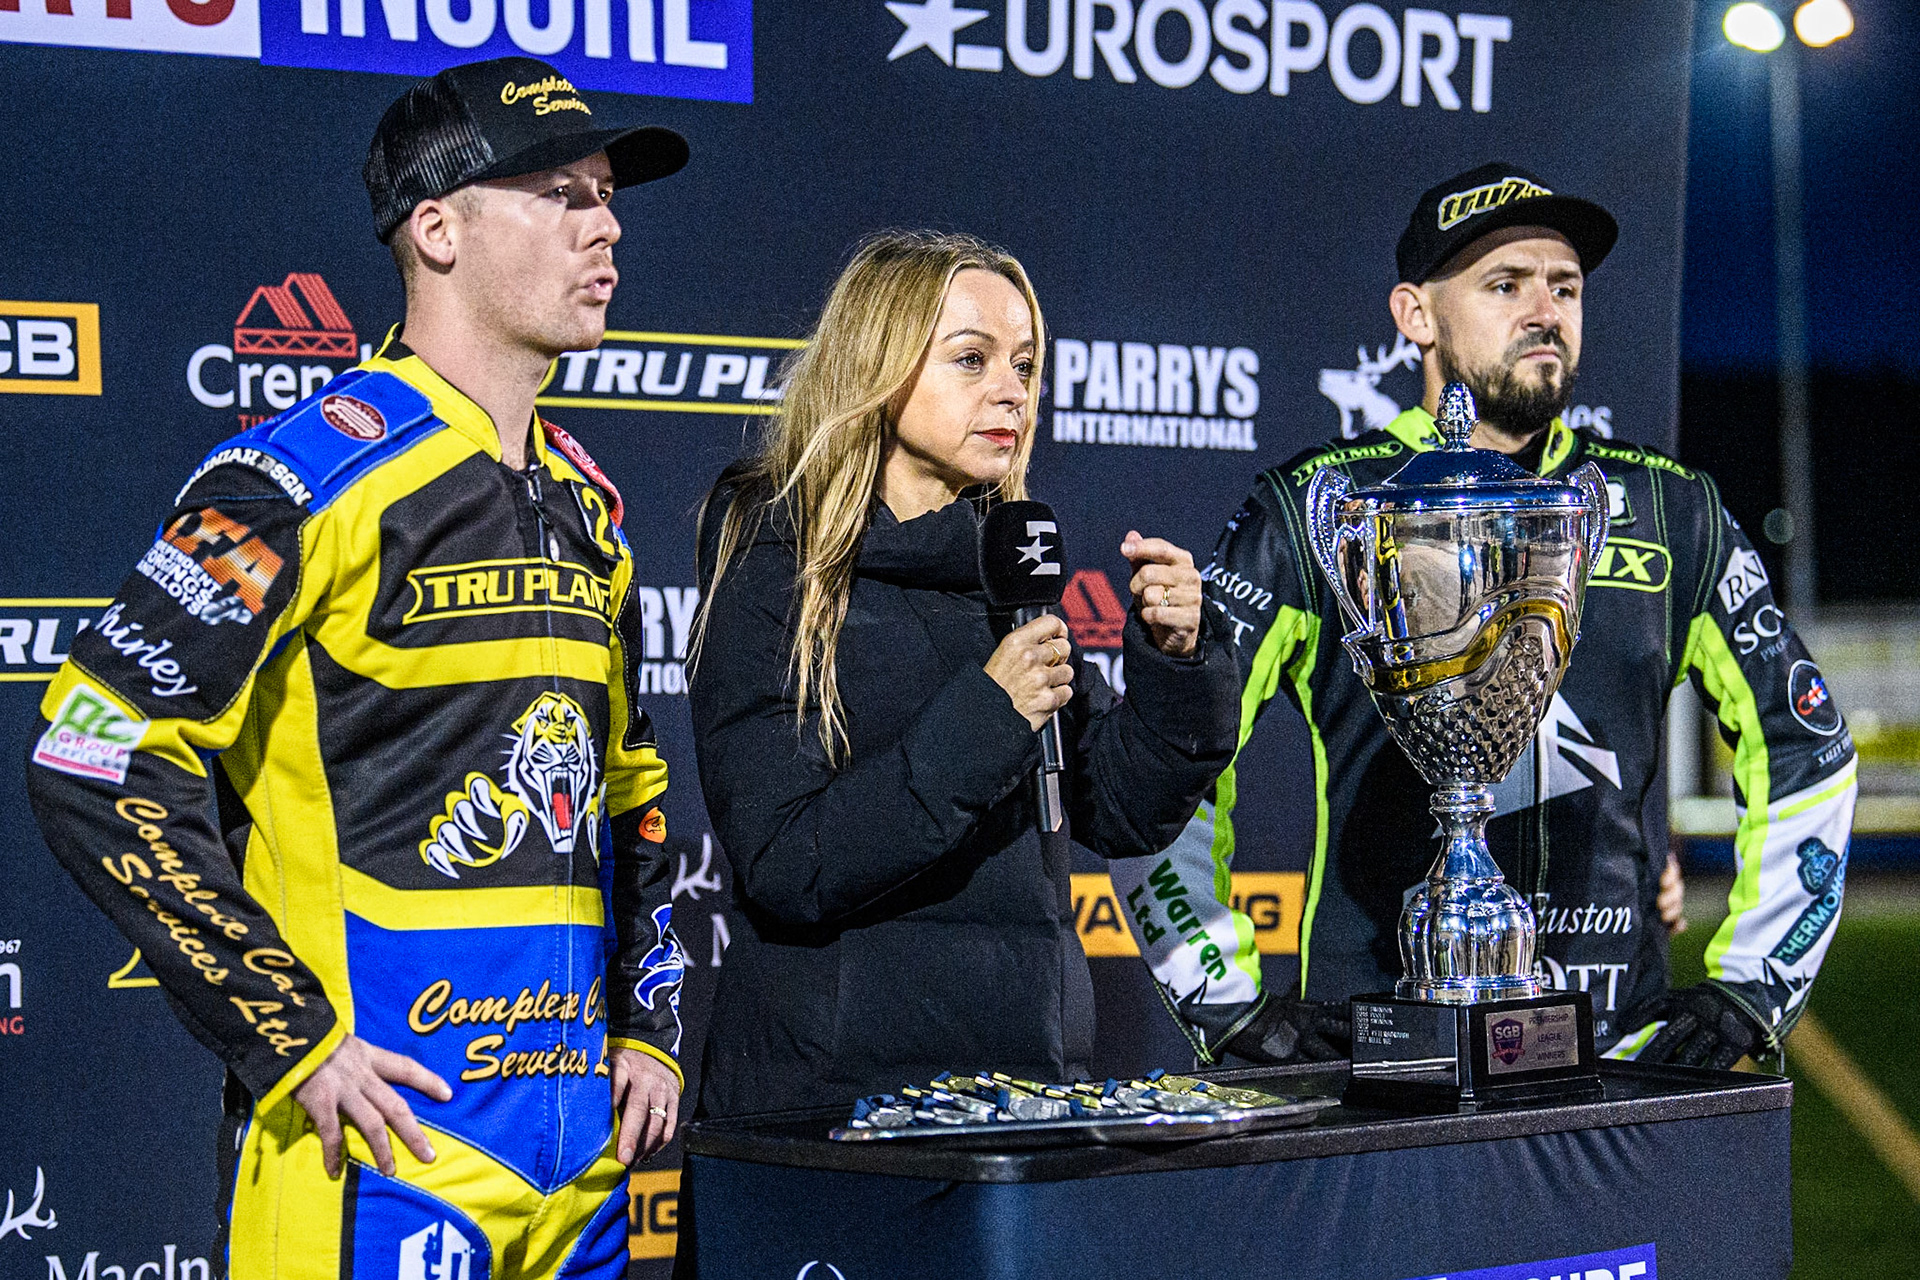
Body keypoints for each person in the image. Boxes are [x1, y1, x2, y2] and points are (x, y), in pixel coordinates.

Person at [26, 57, 690, 1278]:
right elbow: (91, 752)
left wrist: (648, 1022)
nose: (605, 224)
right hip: (371, 1164)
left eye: (606, 193)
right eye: (558, 192)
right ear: (436, 228)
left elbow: (631, 784)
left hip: (576, 1175)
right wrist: (289, 1034)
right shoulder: (299, 478)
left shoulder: (591, 507)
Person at [1110, 163, 1857, 1072]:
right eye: (1506, 284)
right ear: (1415, 315)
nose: (1545, 309)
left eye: (1565, 286)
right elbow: (1162, 761)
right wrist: (1223, 1001)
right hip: (1382, 1058)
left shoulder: (1671, 508)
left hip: (1616, 1053)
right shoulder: (1324, 508)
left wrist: (1754, 984)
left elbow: (1807, 746)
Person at [685, 231, 1240, 1119]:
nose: (1012, 390)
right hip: (836, 1104)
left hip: (1018, 1089)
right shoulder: (775, 558)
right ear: (880, 365)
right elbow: (787, 861)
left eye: (1023, 364)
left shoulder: (1008, 564)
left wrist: (1179, 663)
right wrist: (989, 714)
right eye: (972, 359)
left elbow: (1122, 810)